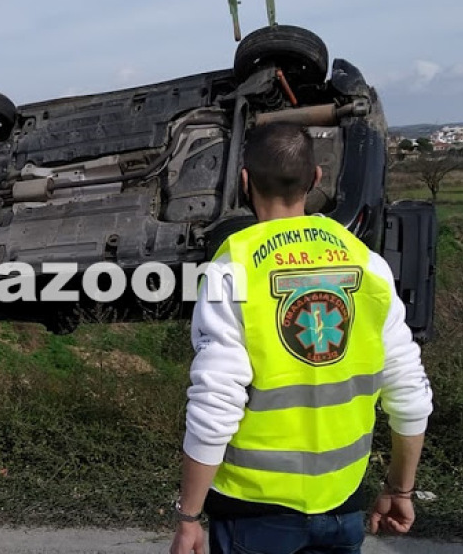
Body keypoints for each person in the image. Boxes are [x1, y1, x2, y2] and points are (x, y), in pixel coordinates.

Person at [169, 123, 434, 554]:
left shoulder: (233, 268)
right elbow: (410, 393)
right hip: (343, 504)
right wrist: (400, 490)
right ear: (315, 179)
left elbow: (215, 403)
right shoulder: (368, 263)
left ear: (244, 181)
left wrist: (188, 516)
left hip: (253, 510)